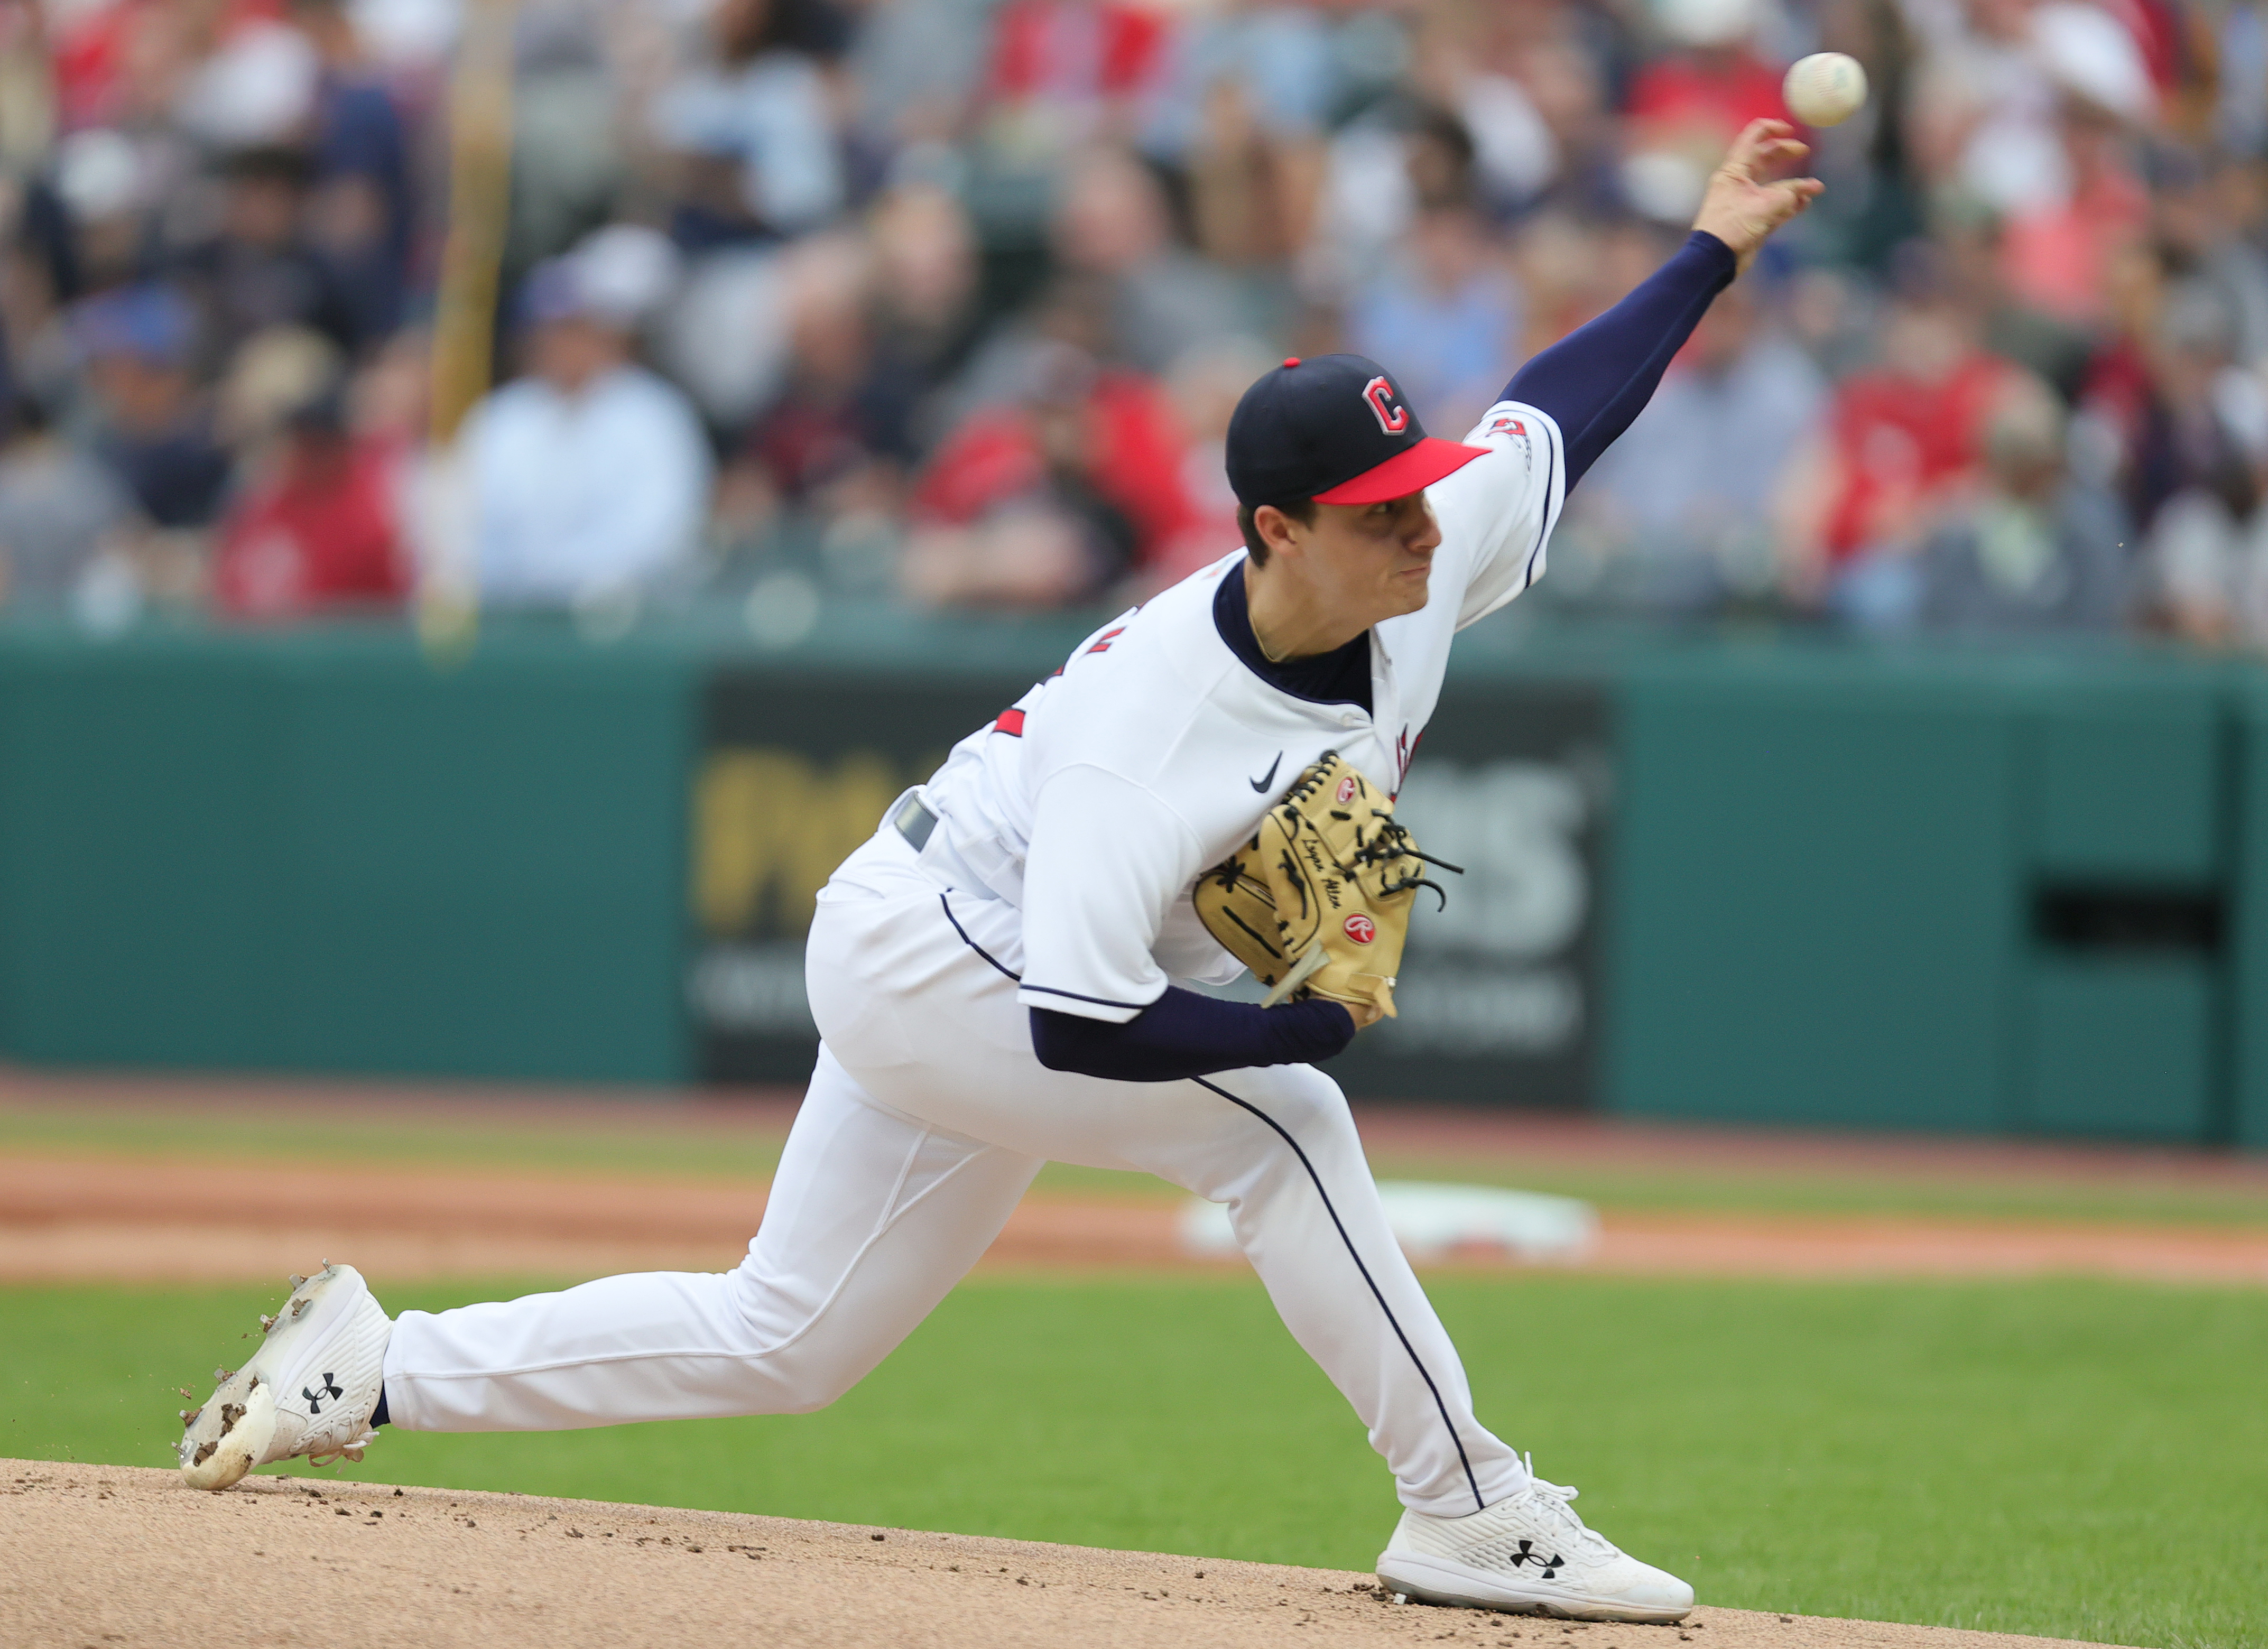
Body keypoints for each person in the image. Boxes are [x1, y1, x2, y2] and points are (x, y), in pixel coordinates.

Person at [177, 121, 1822, 1624]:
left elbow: (1556, 417)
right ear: (1269, 529)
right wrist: (1295, 1035)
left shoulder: (1409, 558)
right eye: (1378, 507)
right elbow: (1079, 1028)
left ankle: (371, 1368)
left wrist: (1707, 249)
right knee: (1287, 1134)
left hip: (955, 931)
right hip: (942, 952)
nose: (1421, 526)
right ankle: (1468, 1509)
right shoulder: (1154, 726)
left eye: (1415, 495)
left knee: (792, 1336)